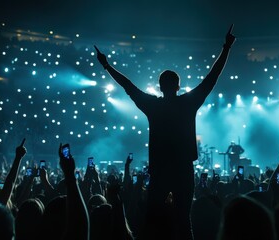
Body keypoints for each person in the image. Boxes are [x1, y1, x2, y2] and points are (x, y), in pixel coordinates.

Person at [96, 25, 236, 239]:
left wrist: (106, 65)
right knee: (183, 220)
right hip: (182, 169)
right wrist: (226, 47)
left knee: (154, 220)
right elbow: (212, 77)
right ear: (179, 86)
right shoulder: (188, 103)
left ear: (160, 87)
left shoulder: (153, 106)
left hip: (160, 170)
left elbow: (128, 85)